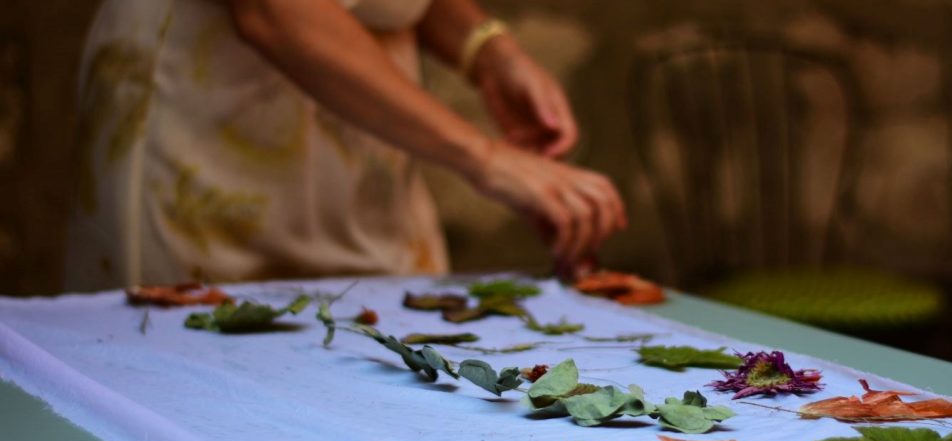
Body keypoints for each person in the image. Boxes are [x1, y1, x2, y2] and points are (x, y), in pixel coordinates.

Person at [66, 0, 626, 291]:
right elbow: (274, 10)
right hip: (211, 141)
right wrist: (486, 158)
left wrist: (488, 49)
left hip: (374, 143)